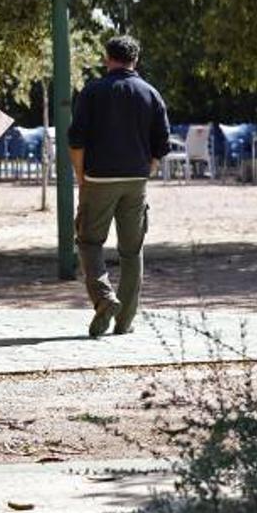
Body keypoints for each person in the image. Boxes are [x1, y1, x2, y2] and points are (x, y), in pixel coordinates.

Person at [67, 35, 170, 338]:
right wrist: (146, 172)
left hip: (98, 178)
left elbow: (76, 140)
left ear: (107, 58)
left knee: (89, 242)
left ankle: (104, 298)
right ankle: (125, 321)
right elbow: (161, 145)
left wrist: (80, 175)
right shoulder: (151, 93)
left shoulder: (92, 92)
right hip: (136, 181)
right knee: (132, 250)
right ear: (135, 59)